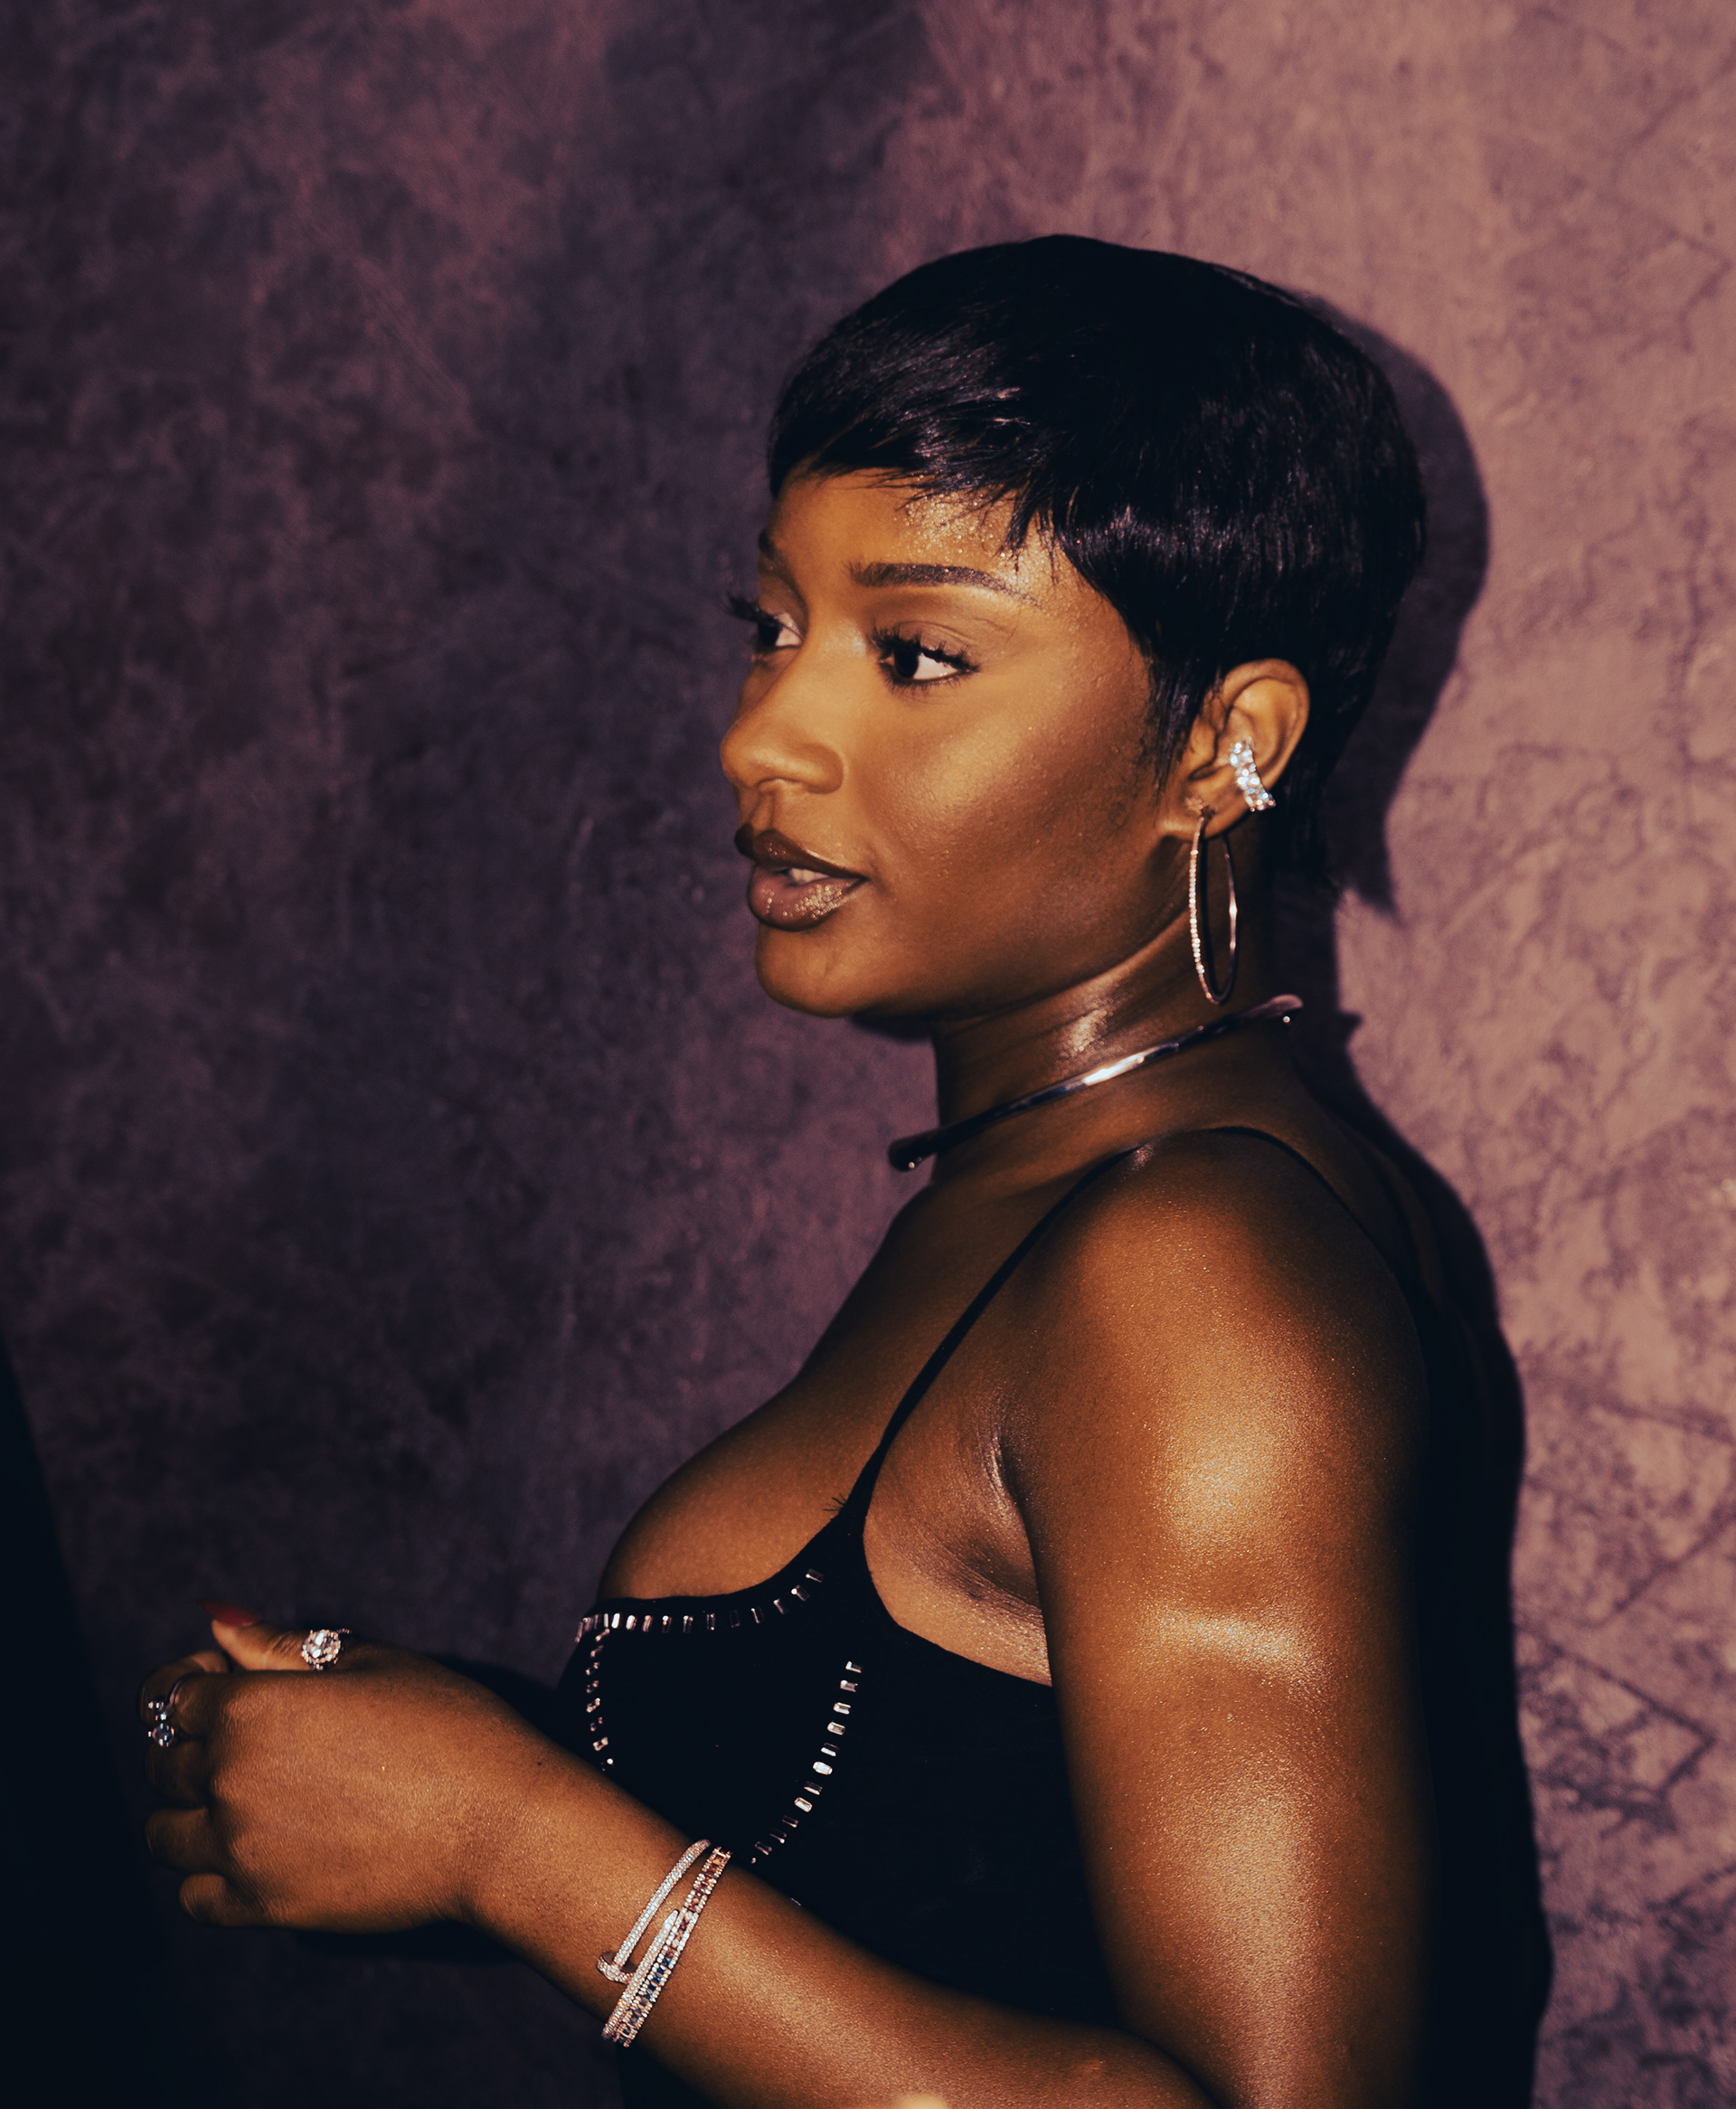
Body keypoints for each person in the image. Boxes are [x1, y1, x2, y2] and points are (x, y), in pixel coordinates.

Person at [141, 238, 1547, 2108]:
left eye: (917, 655)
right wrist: (456, 1775)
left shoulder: (1195, 1264)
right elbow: (959, 1869)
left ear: (1226, 747)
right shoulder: (1053, 1188)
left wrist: (513, 1844)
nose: (764, 737)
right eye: (770, 626)